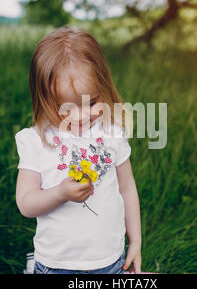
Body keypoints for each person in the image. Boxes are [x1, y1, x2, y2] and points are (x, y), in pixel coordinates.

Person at [14, 26, 142, 274]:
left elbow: (127, 189)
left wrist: (135, 239)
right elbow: (26, 204)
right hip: (56, 264)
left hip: (110, 261)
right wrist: (60, 193)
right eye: (66, 107)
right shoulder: (36, 141)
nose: (82, 116)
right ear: (43, 99)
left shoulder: (112, 134)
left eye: (92, 102)